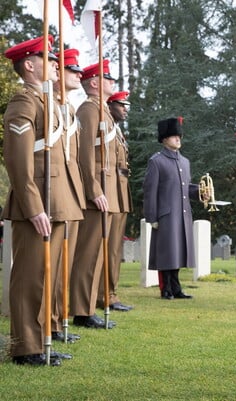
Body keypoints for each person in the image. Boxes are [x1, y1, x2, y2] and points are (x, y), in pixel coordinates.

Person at [3, 36, 84, 365]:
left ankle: (41, 340)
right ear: (29, 65)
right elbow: (18, 161)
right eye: (48, 58)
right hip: (38, 203)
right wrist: (33, 205)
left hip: (60, 200)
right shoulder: (24, 102)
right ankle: (25, 347)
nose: (56, 64)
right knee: (30, 277)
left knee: (48, 278)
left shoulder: (49, 103)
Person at [69, 59, 119, 329]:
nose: (113, 83)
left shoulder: (102, 110)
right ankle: (81, 309)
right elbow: (85, 154)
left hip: (107, 191)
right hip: (96, 193)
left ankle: (87, 306)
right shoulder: (89, 110)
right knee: (88, 254)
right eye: (109, 79)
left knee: (97, 253)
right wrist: (94, 189)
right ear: (96, 83)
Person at [50, 47, 87, 343]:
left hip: (71, 192)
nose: (79, 75)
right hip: (53, 192)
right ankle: (48, 326)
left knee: (64, 264)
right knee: (50, 267)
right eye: (73, 70)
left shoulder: (70, 108)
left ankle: (56, 321)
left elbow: (75, 158)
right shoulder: (43, 103)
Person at [143, 117, 198, 300]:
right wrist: (152, 218)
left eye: (179, 136)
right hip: (166, 215)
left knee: (178, 252)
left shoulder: (185, 162)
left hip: (182, 214)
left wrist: (201, 192)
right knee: (167, 253)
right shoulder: (156, 161)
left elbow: (185, 188)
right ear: (164, 139)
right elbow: (150, 191)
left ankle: (176, 288)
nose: (178, 139)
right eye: (174, 136)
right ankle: (165, 288)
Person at [96, 90, 134, 312]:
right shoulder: (105, 125)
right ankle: (104, 295)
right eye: (121, 105)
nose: (125, 109)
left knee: (115, 249)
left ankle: (111, 292)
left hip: (119, 193)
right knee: (106, 247)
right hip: (109, 192)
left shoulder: (117, 131)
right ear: (110, 106)